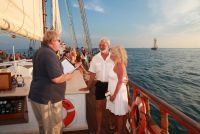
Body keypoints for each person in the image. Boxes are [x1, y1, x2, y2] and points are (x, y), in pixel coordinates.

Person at [28, 30, 73, 134]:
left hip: (38, 97)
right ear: (52, 41)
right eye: (58, 40)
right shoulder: (49, 54)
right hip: (48, 99)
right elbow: (56, 79)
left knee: (44, 128)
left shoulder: (40, 51)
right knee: (54, 129)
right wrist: (68, 77)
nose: (60, 43)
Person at [87, 37, 114, 134]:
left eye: (104, 45)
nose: (102, 46)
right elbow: (92, 75)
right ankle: (98, 128)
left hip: (110, 86)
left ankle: (111, 122)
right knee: (99, 107)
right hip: (99, 85)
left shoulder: (113, 57)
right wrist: (88, 87)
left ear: (108, 46)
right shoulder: (95, 58)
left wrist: (124, 78)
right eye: (100, 45)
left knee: (111, 107)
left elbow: (120, 69)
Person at [106, 46, 129, 134]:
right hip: (112, 89)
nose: (110, 54)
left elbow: (120, 81)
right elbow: (124, 76)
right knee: (114, 111)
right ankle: (116, 127)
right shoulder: (115, 62)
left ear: (117, 54)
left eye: (112, 53)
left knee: (119, 113)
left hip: (118, 92)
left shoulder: (120, 64)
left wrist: (114, 95)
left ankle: (119, 131)